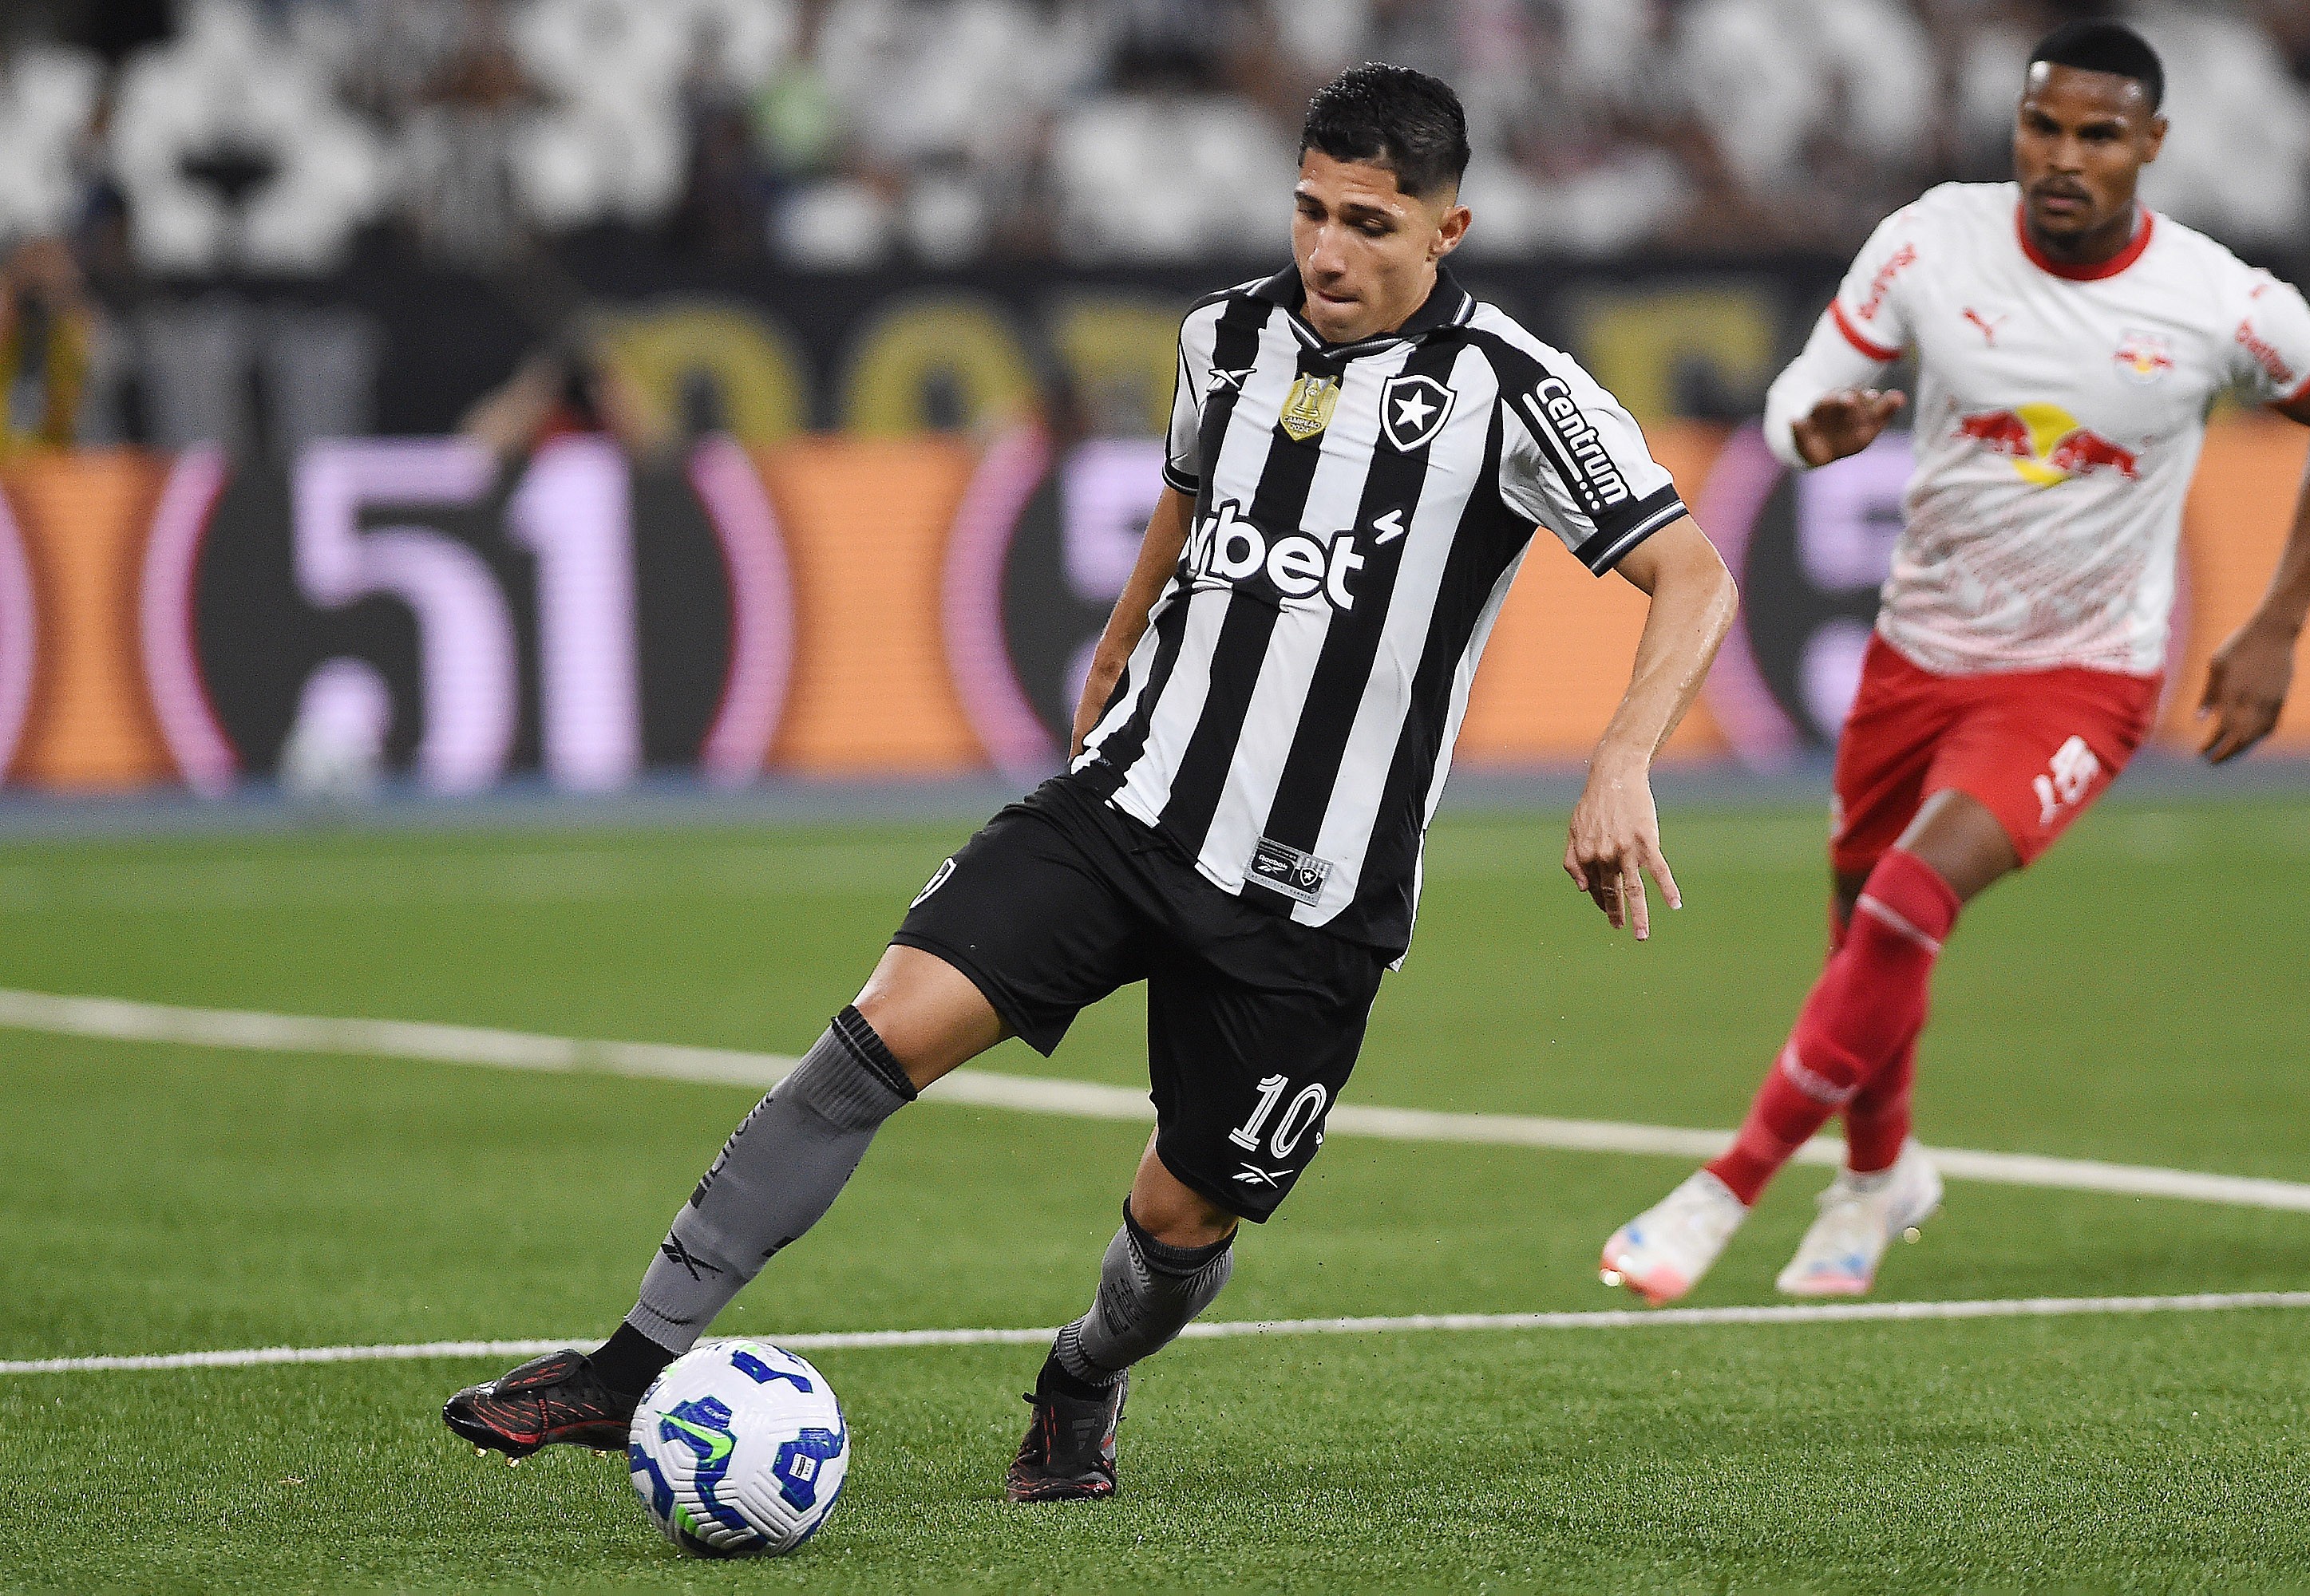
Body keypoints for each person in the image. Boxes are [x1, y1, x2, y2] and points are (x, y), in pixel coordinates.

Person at [441, 62, 1738, 1501]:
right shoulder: (1224, 338)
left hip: (1309, 901)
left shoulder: (1513, 391)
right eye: (1311, 210)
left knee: (1182, 1220)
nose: (1327, 251)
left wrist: (1623, 759)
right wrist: (1122, 635)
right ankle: (626, 1369)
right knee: (873, 1039)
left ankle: (1082, 1378)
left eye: (1370, 224)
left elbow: (1694, 574)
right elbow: (1190, 494)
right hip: (1129, 806)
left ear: (1450, 229)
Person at [1599, 19, 2310, 1306]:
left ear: (2152, 143)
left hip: (2085, 677)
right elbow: (1798, 400)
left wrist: (2281, 623)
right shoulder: (1931, 242)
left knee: (1910, 901)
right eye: (2042, 126)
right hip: (1916, 655)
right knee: (1867, 929)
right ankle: (1877, 1178)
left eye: (2098, 135)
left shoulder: (2217, 300)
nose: (2063, 157)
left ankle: (1723, 1189)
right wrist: (1812, 430)